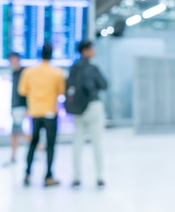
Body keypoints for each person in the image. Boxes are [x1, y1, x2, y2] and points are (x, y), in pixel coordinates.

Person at [18, 43, 65, 187]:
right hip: (50, 112)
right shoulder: (57, 72)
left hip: (35, 112)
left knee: (33, 143)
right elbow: (61, 91)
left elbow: (22, 91)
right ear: (52, 55)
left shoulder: (29, 72)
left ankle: (27, 173)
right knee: (50, 145)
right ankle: (48, 176)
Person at [69, 40, 108, 188]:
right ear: (86, 51)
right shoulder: (92, 68)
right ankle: (100, 176)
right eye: (92, 49)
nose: (94, 51)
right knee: (97, 142)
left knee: (77, 142)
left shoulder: (73, 68)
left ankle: (76, 176)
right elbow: (104, 84)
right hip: (93, 107)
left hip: (78, 110)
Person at [6, 52, 30, 165]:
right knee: (15, 133)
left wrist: (27, 107)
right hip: (15, 106)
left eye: (13, 59)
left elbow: (26, 91)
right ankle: (13, 156)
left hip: (21, 106)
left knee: (18, 131)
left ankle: (39, 146)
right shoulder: (15, 73)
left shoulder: (24, 73)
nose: (11, 61)